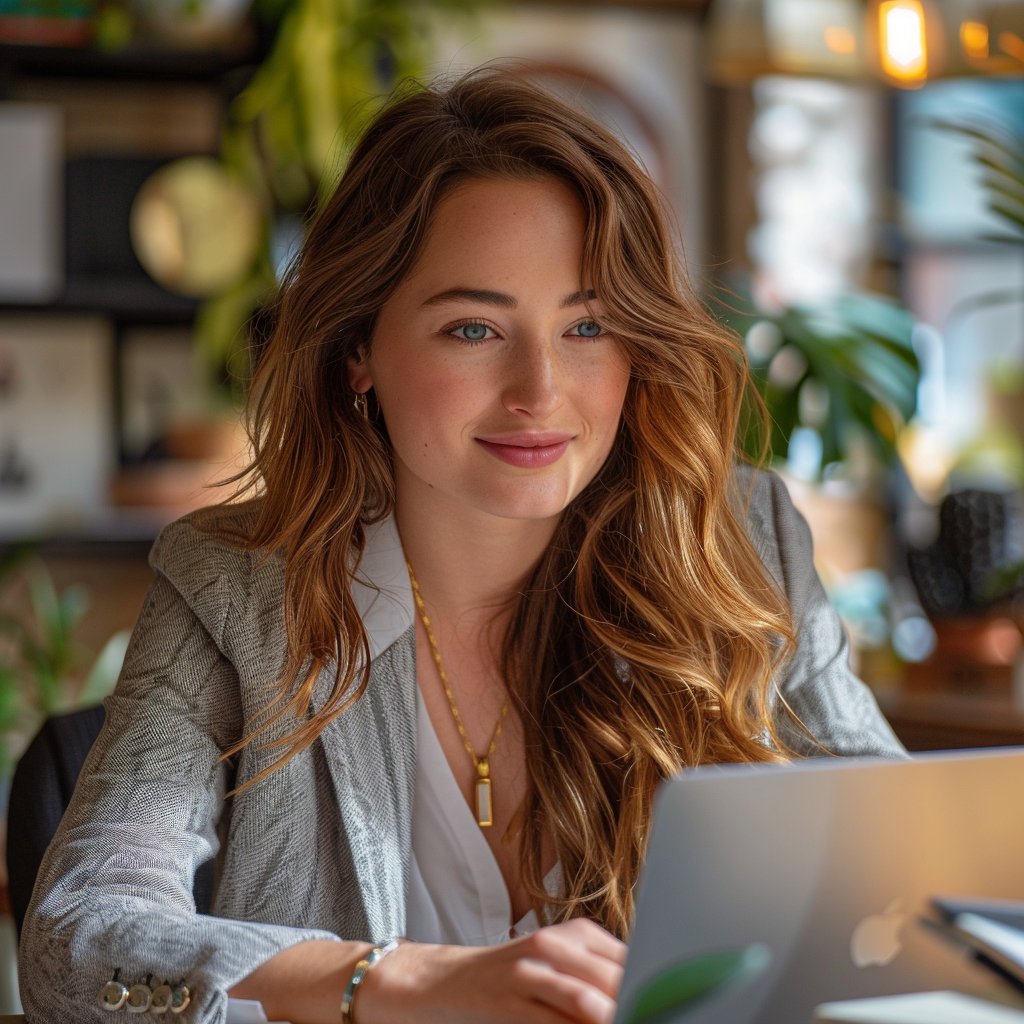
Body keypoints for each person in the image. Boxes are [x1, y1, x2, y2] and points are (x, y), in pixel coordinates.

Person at [18, 66, 905, 1024]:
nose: (540, 390)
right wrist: (392, 983)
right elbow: (80, 938)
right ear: (358, 348)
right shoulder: (233, 588)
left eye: (588, 325)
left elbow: (911, 867)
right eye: (474, 328)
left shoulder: (739, 544)